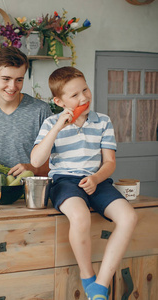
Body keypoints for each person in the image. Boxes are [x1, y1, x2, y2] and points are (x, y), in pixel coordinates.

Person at [30, 66, 137, 300]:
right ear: (59, 101)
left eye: (85, 90)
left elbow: (109, 161)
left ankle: (100, 284)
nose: (84, 97)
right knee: (80, 216)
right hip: (64, 181)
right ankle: (87, 275)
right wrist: (58, 126)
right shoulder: (51, 124)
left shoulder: (103, 122)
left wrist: (96, 178)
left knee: (129, 217)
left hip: (96, 179)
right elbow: (37, 160)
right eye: (75, 95)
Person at [0, 46, 52, 183]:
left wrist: (32, 168)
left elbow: (55, 164)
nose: (12, 86)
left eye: (19, 79)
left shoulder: (41, 111)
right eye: (6, 79)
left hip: (29, 193)